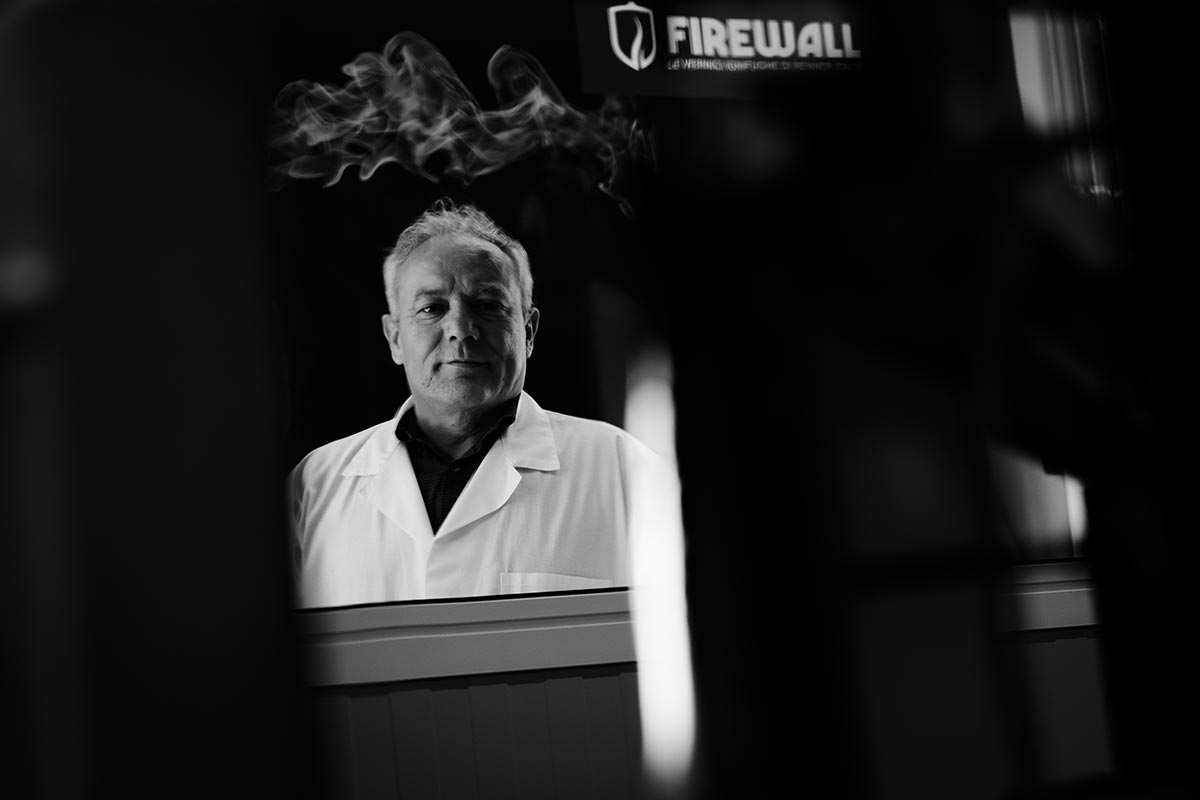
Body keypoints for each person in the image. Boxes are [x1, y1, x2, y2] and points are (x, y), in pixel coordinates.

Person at [288, 199, 677, 608]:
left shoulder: (626, 472)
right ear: (395, 338)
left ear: (528, 331)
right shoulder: (315, 486)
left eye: (488, 305)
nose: (461, 328)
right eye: (432, 308)